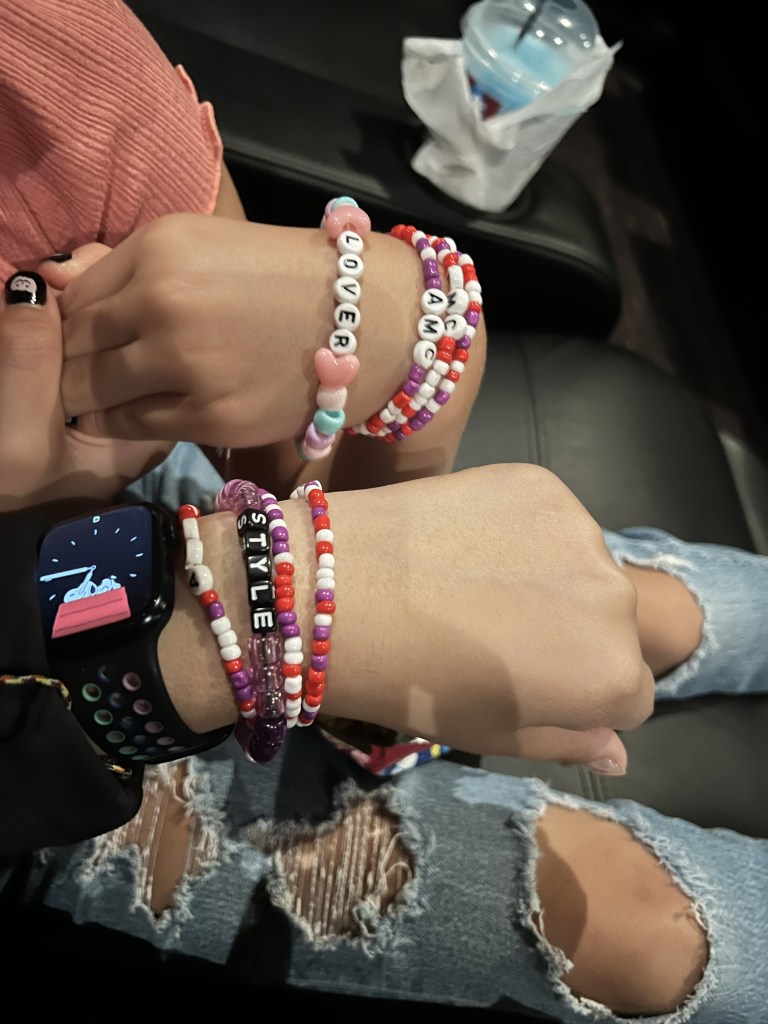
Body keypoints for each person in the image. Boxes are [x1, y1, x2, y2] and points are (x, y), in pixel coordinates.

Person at [2, 2, 767, 1021]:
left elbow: (286, 464)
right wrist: (275, 600)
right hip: (49, 747)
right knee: (641, 924)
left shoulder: (42, 62)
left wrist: (407, 322)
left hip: (144, 530)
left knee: (628, 609)